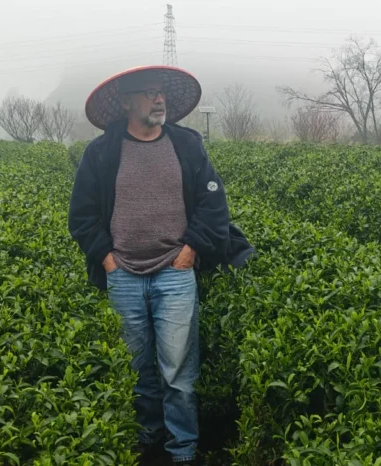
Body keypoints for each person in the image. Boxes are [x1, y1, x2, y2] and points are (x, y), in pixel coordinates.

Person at [68, 65, 254, 465]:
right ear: (126, 102)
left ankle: (183, 450)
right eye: (149, 93)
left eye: (161, 93)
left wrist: (190, 250)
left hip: (175, 273)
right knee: (136, 371)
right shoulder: (100, 153)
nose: (159, 100)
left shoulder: (187, 145)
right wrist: (107, 259)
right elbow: (81, 216)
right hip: (124, 277)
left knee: (179, 373)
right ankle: (147, 441)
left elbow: (213, 204)